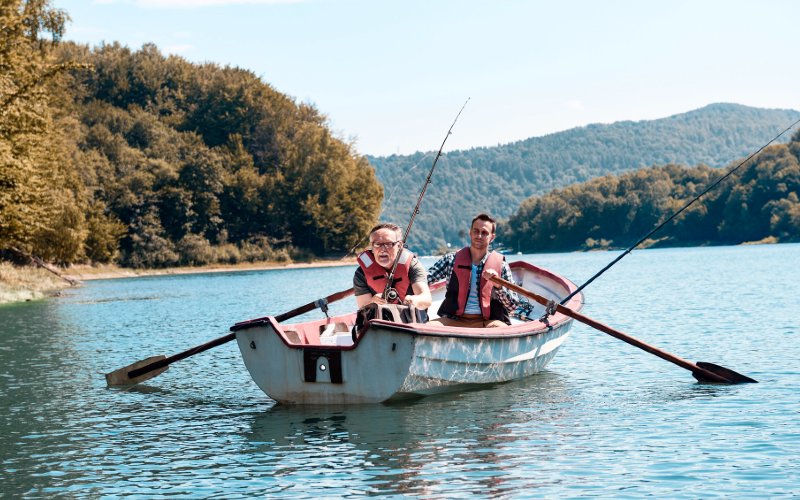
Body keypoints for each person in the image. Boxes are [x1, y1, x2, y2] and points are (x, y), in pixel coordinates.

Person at [426, 213, 519, 328]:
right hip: (455, 320)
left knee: (501, 329)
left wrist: (499, 286)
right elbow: (425, 278)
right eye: (476, 231)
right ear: (470, 233)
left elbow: (513, 306)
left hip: (488, 322)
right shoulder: (451, 259)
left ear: (492, 237)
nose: (479, 236)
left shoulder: (502, 266)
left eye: (484, 233)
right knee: (429, 326)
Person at [354, 223, 432, 311]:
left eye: (388, 244)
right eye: (377, 244)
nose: (382, 249)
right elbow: (362, 309)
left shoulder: (412, 265)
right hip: (379, 321)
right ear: (372, 246)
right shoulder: (361, 273)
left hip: (411, 320)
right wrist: (372, 302)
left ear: (399, 246)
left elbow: (427, 299)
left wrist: (414, 300)